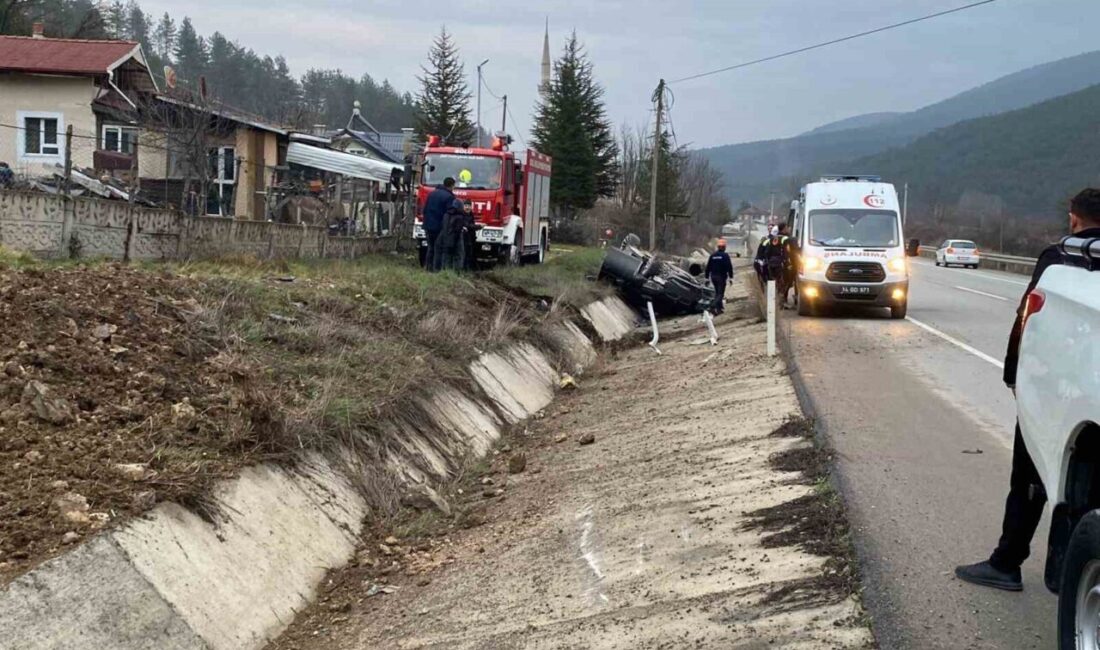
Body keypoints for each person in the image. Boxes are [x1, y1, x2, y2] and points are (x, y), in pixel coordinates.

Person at [956, 188, 1100, 592]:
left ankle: (1006, 562)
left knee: (1029, 475)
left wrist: (1013, 373)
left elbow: (1027, 321)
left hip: (1057, 384)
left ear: (1073, 218)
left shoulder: (1061, 260)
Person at [422, 177, 456, 271]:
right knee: (439, 248)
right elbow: (450, 213)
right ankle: (436, 269)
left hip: (428, 225)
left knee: (430, 247)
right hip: (439, 227)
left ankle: (428, 268)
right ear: (452, 185)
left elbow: (425, 209)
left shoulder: (432, 194)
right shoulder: (449, 197)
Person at [437, 194, 466, 271]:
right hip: (455, 239)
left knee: (446, 256)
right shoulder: (460, 216)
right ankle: (456, 273)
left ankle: (445, 271)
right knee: (459, 255)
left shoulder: (446, 214)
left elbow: (443, 225)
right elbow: (457, 230)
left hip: (445, 238)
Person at [706, 239, 735, 315]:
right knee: (720, 294)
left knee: (717, 293)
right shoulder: (725, 255)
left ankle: (719, 309)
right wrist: (731, 277)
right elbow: (729, 267)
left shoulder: (712, 255)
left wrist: (706, 277)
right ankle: (712, 306)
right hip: (721, 277)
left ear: (718, 247)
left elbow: (708, 267)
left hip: (713, 277)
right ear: (724, 247)